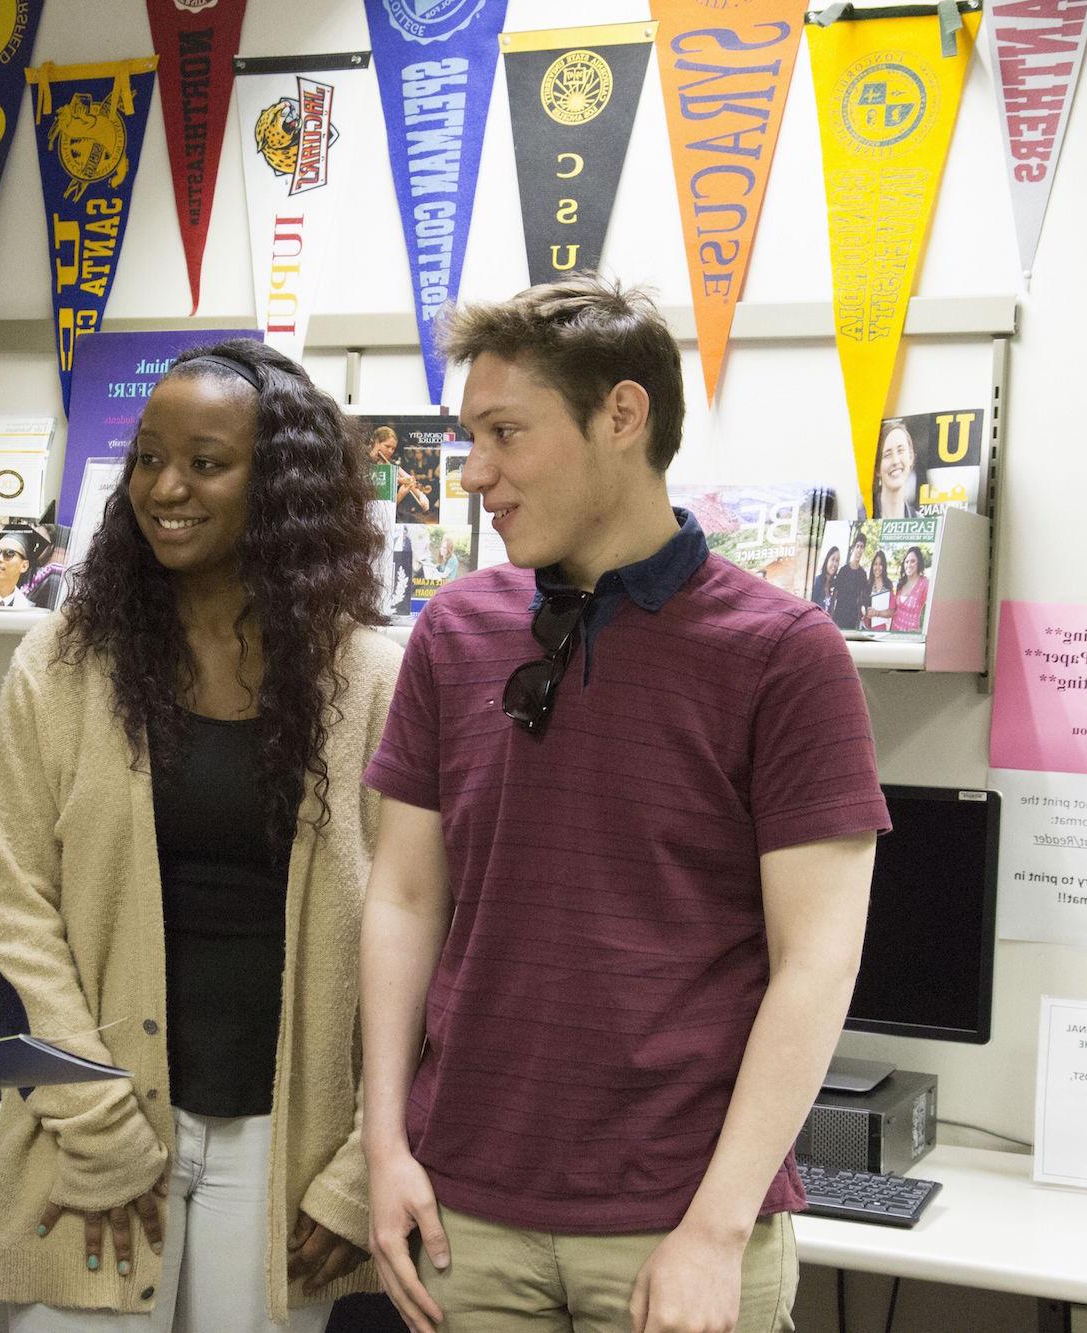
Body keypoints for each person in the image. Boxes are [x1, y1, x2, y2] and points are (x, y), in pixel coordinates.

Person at [358, 276, 887, 1333]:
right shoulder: (453, 631)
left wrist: (716, 1230)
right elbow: (405, 899)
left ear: (621, 415)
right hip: (464, 1212)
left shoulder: (781, 654)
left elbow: (816, 959)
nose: (475, 474)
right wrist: (383, 1148)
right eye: (470, 437)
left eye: (504, 433)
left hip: (674, 1227)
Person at [0, 339, 401, 1331]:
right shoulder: (61, 663)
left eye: (207, 462)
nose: (166, 487)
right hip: (95, 1141)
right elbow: (10, 913)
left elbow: (426, 937)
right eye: (148, 457)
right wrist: (96, 1129)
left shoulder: (371, 679)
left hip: (288, 1148)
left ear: (280, 483)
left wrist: (358, 1168)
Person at [874, 419, 918, 519]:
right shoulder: (861, 518)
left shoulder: (920, 522)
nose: (895, 461)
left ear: (911, 457)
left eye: (900, 450)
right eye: (887, 455)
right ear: (877, 469)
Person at [830, 534, 869, 630]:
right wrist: (830, 616)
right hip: (838, 616)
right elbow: (835, 594)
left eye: (862, 547)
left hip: (852, 619)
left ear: (863, 550)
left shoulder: (863, 574)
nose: (859, 550)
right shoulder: (843, 570)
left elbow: (861, 598)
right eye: (858, 546)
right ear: (853, 548)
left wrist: (860, 616)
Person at [890, 545, 931, 633]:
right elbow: (894, 610)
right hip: (894, 631)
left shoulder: (924, 583)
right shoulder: (901, 583)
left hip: (910, 638)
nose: (909, 565)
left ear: (918, 563)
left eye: (913, 561)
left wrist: (921, 630)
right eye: (906, 562)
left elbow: (934, 610)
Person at [863, 548, 894, 632]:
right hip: (866, 628)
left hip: (881, 630)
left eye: (880, 564)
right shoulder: (867, 585)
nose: (877, 567)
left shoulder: (888, 585)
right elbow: (862, 608)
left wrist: (877, 613)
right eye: (875, 564)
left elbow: (891, 611)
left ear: (884, 567)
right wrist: (866, 613)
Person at [809, 545, 840, 615]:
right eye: (833, 559)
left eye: (837, 561)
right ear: (827, 560)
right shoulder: (817, 581)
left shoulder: (833, 585)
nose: (834, 564)